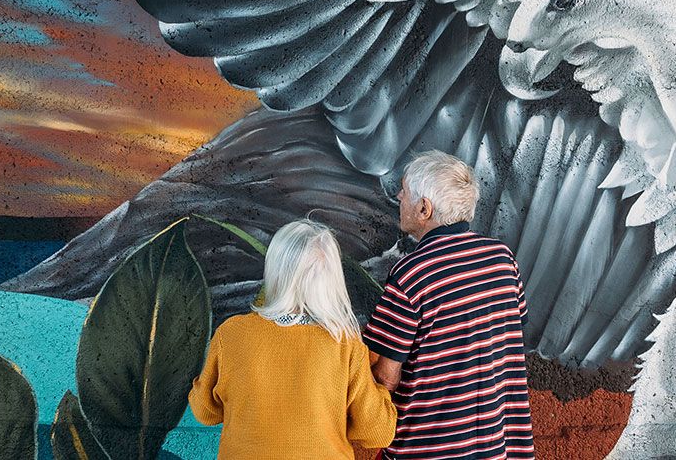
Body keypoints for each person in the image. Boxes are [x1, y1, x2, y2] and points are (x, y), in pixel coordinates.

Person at [363, 151, 535, 459]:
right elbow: (506, 336)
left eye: (404, 190)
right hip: (497, 444)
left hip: (430, 449)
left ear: (424, 208)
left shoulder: (412, 273)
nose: (400, 196)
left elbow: (387, 376)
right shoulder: (502, 259)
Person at [188, 219, 396, 459]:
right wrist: (380, 386)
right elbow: (377, 432)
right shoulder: (345, 343)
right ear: (332, 280)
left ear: (275, 269)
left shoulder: (231, 333)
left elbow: (205, 412)